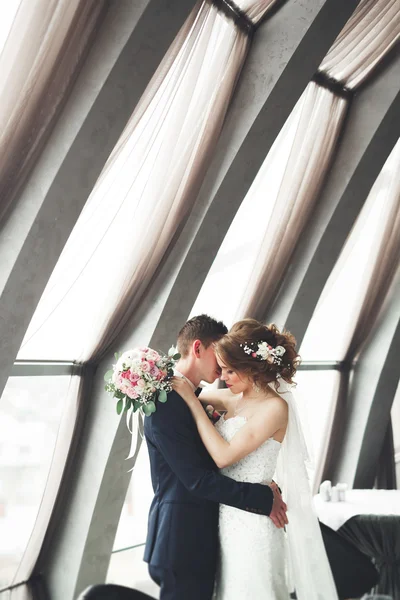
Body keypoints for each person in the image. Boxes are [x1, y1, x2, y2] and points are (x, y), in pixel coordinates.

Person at [172, 318, 339, 600]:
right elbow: (186, 397)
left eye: (230, 371)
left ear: (252, 369)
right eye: (222, 369)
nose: (223, 377)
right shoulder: (231, 398)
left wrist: (191, 401)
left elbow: (224, 457)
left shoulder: (275, 408)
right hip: (226, 518)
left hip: (254, 526)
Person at [143, 314, 287, 600]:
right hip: (181, 540)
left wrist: (267, 485)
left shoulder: (195, 397)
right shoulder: (167, 404)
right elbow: (198, 480)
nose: (223, 369)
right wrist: (263, 497)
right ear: (198, 349)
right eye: (219, 356)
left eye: (231, 365)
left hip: (210, 536)